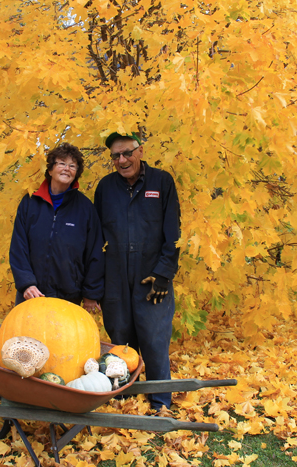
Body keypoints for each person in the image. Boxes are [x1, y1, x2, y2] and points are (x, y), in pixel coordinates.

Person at [94, 132, 181, 412]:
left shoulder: (162, 182)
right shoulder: (105, 188)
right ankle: (122, 396)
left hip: (151, 276)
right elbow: (96, 237)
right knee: (120, 341)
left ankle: (159, 401)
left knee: (154, 341)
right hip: (115, 276)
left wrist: (164, 274)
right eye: (116, 156)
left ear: (140, 151)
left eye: (127, 153)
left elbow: (173, 233)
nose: (122, 160)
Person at [9, 143, 104, 312]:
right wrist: (26, 283)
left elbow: (94, 253)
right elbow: (18, 247)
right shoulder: (30, 202)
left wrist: (91, 293)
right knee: (28, 337)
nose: (67, 168)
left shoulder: (85, 208)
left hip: (68, 295)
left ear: (76, 174)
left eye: (72, 166)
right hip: (31, 294)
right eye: (61, 163)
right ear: (50, 170)